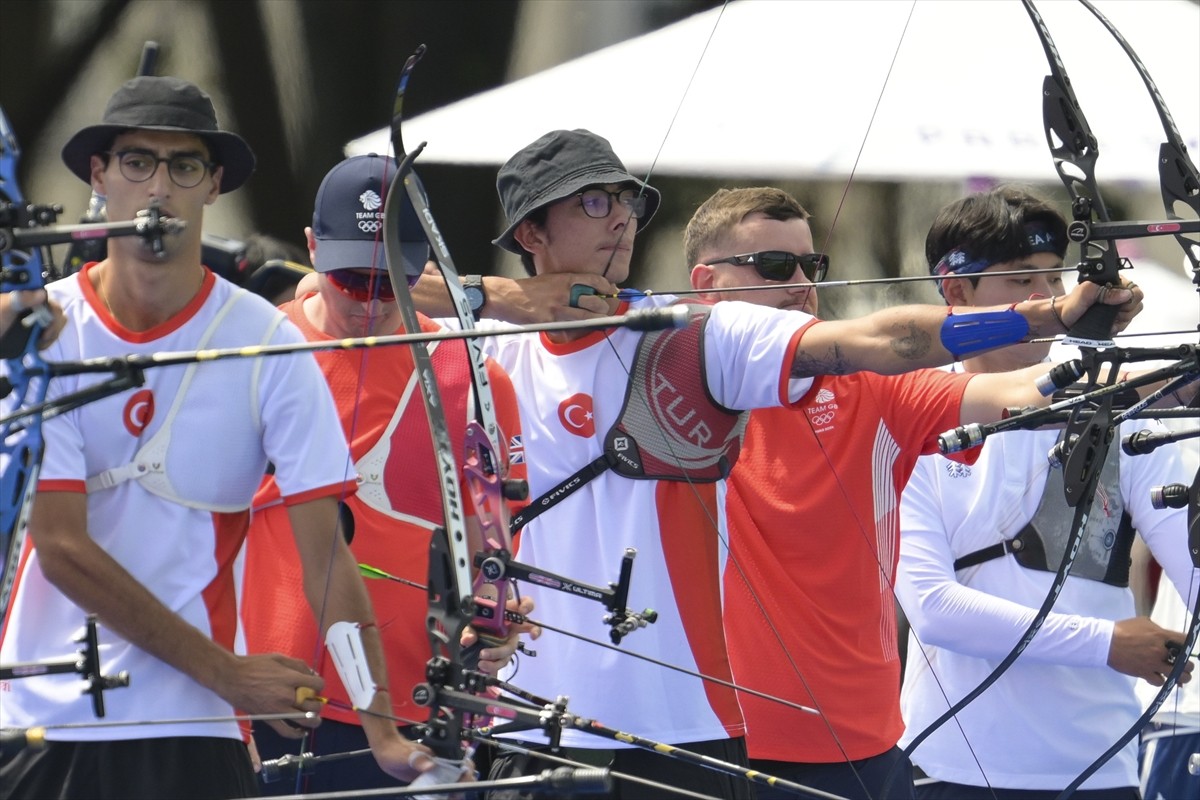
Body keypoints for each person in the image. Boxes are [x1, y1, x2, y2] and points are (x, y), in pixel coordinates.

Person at [412, 129, 1135, 799]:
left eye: (629, 201)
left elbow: (888, 339)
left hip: (680, 730)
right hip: (527, 722)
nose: (622, 220)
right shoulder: (480, 348)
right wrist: (506, 299)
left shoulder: (690, 341)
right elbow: (341, 288)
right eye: (595, 202)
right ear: (531, 233)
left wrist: (1051, 320)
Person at [0, 76, 428, 799]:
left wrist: (381, 726)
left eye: (184, 166)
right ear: (99, 176)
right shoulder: (45, 332)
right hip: (46, 722)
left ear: (214, 184)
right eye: (136, 162)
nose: (159, 186)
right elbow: (65, 548)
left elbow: (326, 556)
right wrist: (229, 673)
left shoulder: (267, 343)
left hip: (195, 730)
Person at [678, 185, 1143, 799]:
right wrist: (1052, 313)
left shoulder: (872, 390)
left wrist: (1135, 360)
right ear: (707, 284)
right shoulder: (664, 383)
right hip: (719, 742)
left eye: (810, 266)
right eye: (773, 266)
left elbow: (1026, 391)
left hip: (867, 747)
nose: (800, 282)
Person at [241, 154, 531, 793]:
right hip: (257, 705)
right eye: (350, 278)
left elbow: (492, 554)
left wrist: (496, 620)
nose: (369, 303)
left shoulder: (472, 379)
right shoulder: (251, 353)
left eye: (390, 282)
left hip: (407, 722)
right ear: (312, 248)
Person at [895, 187, 1197, 799]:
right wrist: (1107, 643)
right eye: (1017, 279)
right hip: (953, 766)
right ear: (956, 292)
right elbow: (932, 606)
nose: (1043, 297)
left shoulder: (1117, 406)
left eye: (1050, 277)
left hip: (1101, 766)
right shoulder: (909, 413)